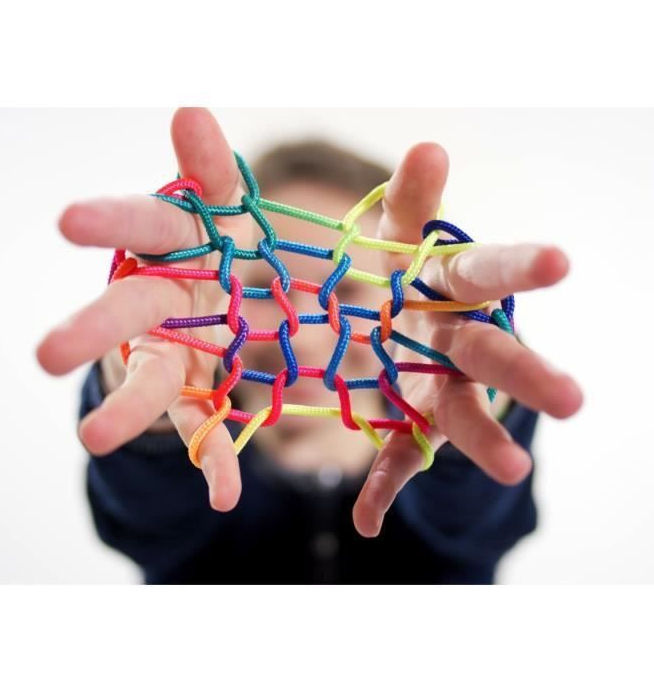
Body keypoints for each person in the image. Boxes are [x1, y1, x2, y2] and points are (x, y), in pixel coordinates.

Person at [36, 108, 584, 583]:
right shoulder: (193, 480)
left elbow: (474, 522)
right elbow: (146, 513)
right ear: (212, 294)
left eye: (344, 290)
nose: (303, 330)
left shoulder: (443, 502)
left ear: (407, 302)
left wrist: (470, 409)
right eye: (262, 287)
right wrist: (145, 395)